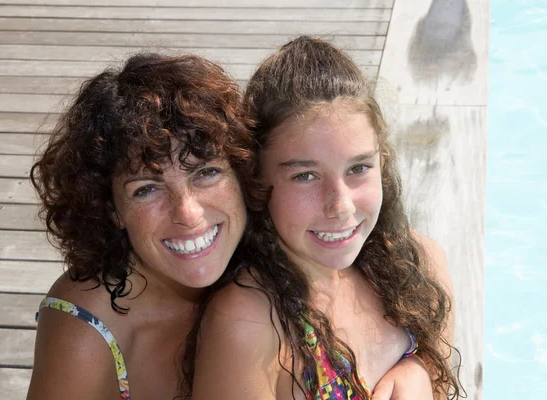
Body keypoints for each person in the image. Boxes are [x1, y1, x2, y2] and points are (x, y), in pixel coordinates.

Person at [184, 37, 461, 399]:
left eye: (358, 168)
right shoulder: (250, 323)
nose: (341, 205)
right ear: (255, 179)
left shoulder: (418, 266)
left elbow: (441, 379)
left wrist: (419, 368)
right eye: (305, 176)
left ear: (383, 164)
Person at [27, 52, 256, 399]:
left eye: (206, 172)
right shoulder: (85, 331)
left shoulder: (271, 261)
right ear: (111, 208)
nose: (188, 213)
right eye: (147, 189)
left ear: (241, 174)